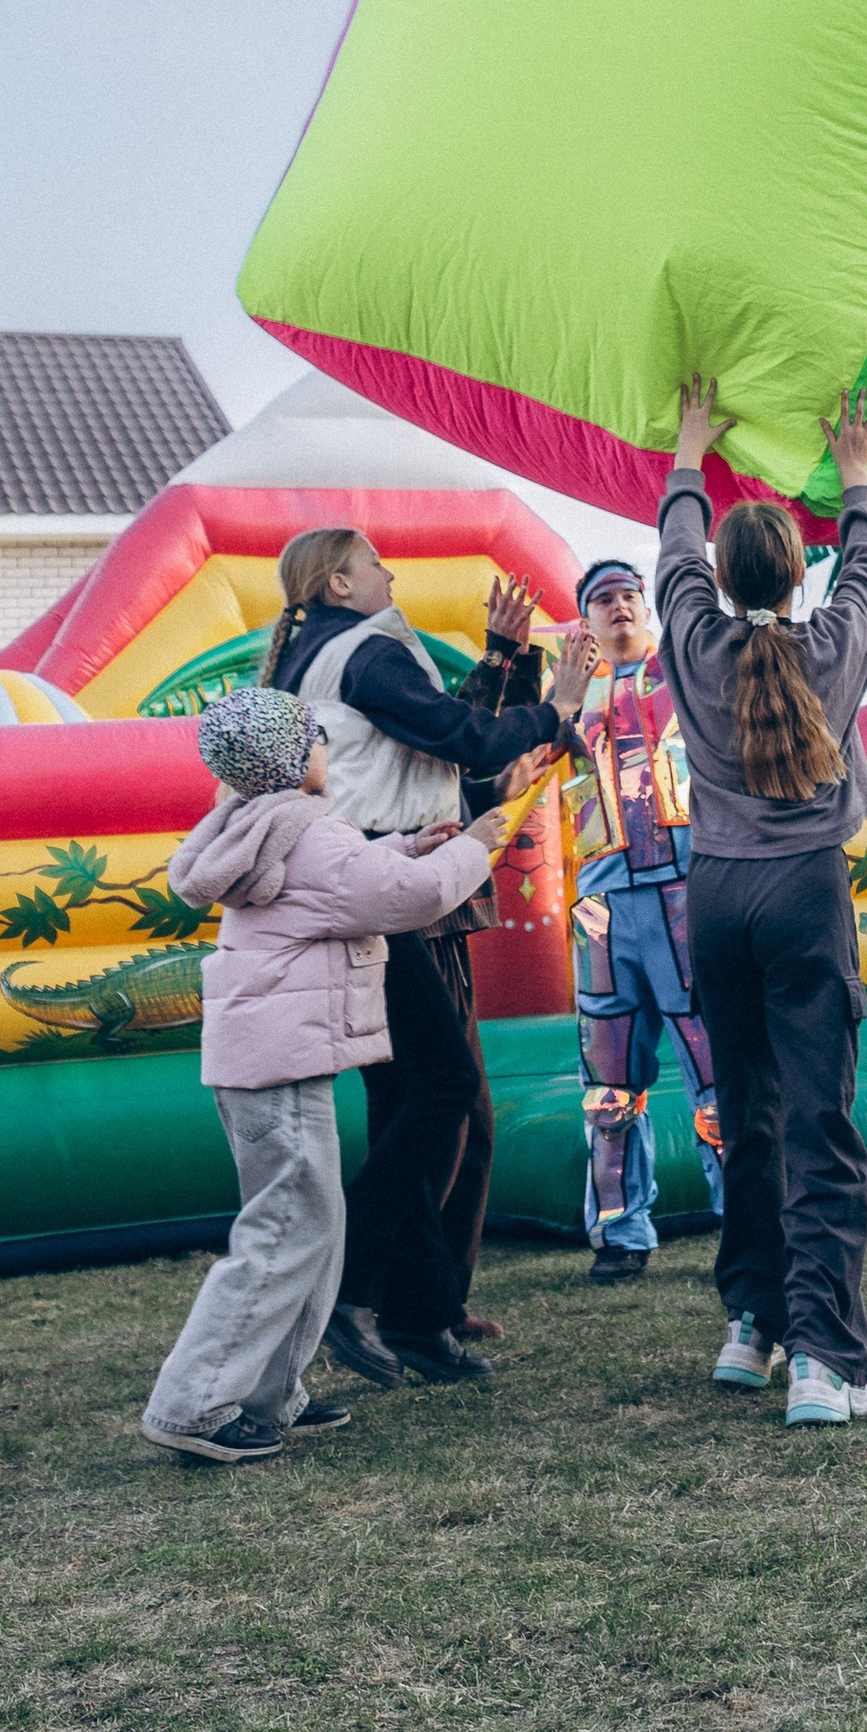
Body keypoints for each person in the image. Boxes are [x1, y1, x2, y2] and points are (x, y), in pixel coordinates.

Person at [139, 686, 513, 1466]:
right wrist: (472, 847)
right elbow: (405, 900)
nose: (325, 750)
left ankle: (272, 1392)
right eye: (315, 739)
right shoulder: (308, 834)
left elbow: (351, 880)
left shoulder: (265, 827)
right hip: (281, 1064)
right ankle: (192, 1403)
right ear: (289, 758)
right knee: (284, 1231)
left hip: (268, 1063)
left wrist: (411, 842)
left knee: (313, 1228)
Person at [262, 528, 592, 1384]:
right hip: (376, 880)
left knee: (419, 1096)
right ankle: (354, 1286)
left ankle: (412, 1308)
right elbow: (458, 731)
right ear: (338, 580)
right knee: (445, 1089)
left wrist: (501, 668)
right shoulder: (366, 650)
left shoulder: (319, 656)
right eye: (375, 564)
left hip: (382, 868)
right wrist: (560, 704)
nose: (391, 573)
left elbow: (434, 746)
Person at [654, 372, 867, 1425]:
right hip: (805, 894)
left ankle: (751, 1326)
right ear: (800, 577)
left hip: (715, 897)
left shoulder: (691, 641)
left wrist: (689, 446)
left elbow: (670, 550)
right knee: (820, 1123)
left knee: (746, 1117)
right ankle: (823, 1359)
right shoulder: (832, 646)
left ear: (716, 577)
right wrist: (854, 469)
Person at [548, 550, 723, 1286]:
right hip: (603, 906)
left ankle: (746, 1217)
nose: (619, 605)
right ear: (585, 619)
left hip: (686, 892)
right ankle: (621, 1231)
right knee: (610, 1084)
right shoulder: (566, 698)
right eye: (603, 599)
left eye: (629, 595)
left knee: (718, 1076)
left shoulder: (687, 674)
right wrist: (559, 697)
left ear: (647, 609)